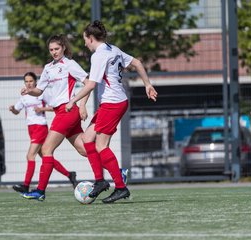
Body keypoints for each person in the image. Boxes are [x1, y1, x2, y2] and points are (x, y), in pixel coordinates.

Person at [66, 20, 158, 203]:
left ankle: (121, 187)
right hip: (113, 102)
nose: (84, 43)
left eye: (85, 39)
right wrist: (147, 84)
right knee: (87, 139)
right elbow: (138, 63)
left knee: (101, 146)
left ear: (91, 38)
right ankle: (100, 181)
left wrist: (74, 101)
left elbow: (91, 84)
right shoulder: (112, 49)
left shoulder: (99, 55)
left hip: (113, 103)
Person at [20, 34, 90, 201]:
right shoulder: (48, 68)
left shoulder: (70, 64)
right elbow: (39, 90)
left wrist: (82, 104)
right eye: (51, 50)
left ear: (64, 48)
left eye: (57, 49)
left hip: (67, 111)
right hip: (61, 112)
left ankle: (40, 191)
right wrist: (30, 90)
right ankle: (118, 171)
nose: (54, 52)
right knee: (83, 149)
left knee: (46, 150)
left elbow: (89, 83)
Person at [9, 72, 78, 193]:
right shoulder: (24, 96)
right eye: (26, 81)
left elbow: (54, 106)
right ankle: (69, 174)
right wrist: (12, 109)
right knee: (45, 156)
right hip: (31, 128)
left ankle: (26, 185)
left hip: (40, 127)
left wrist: (42, 109)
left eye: (31, 81)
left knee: (30, 155)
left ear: (36, 82)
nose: (29, 83)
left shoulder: (41, 94)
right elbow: (17, 111)